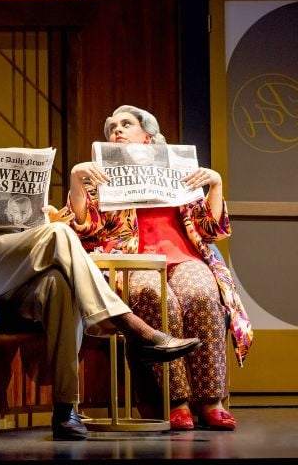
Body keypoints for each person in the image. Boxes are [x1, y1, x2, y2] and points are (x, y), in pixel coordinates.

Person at [0, 83, 201, 441]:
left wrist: (41, 215)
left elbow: (27, 227)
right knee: (60, 237)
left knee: (59, 287)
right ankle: (133, 328)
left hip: (12, 267)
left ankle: (66, 411)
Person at [67, 105, 253, 431]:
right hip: (132, 260)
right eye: (112, 128)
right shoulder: (103, 177)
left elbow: (211, 231)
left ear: (148, 136)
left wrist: (215, 185)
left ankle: (211, 401)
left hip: (183, 257)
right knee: (155, 297)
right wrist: (77, 182)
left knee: (201, 294)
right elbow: (86, 230)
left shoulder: (177, 172)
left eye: (126, 124)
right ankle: (175, 401)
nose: (117, 131)